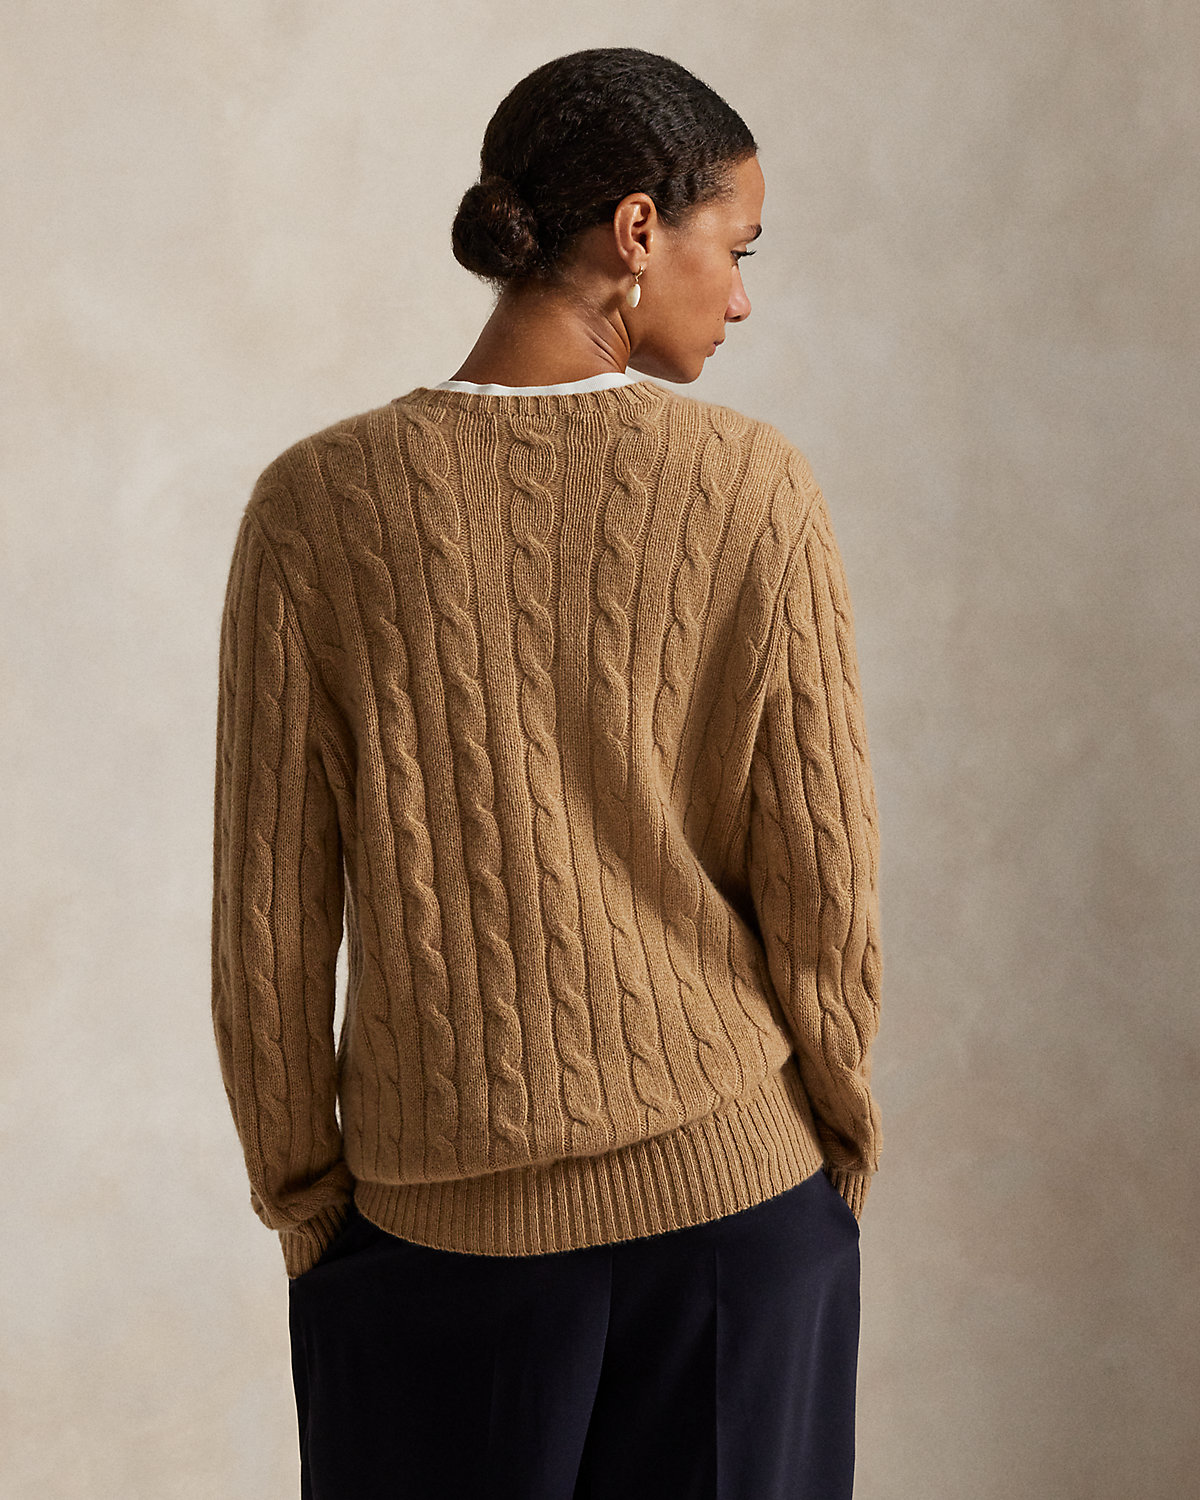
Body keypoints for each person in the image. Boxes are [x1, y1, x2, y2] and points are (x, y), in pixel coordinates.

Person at [211, 45, 884, 1500]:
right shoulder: (754, 487)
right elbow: (822, 875)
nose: (744, 296)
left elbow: (269, 919)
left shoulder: (314, 507)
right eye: (738, 246)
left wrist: (309, 1202)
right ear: (639, 230)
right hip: (735, 1223)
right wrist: (832, 1137)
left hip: (429, 1246)